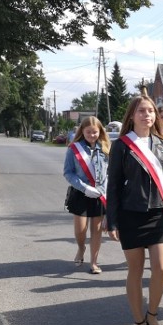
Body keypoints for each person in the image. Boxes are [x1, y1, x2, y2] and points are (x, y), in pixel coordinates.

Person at [106, 95, 163, 325]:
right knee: (136, 271)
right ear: (132, 115)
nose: (147, 115)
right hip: (130, 215)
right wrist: (112, 220)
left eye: (150, 111)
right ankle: (139, 322)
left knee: (161, 270)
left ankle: (152, 314)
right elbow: (114, 185)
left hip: (159, 215)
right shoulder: (122, 146)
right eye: (141, 111)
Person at [63, 117, 110, 274]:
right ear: (82, 131)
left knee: (96, 230)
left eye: (95, 132)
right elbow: (68, 173)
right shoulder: (74, 149)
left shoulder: (105, 149)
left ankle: (94, 262)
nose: (92, 134)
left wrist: (104, 189)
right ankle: (81, 247)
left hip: (99, 194)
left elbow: (109, 173)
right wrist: (84, 188)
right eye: (88, 131)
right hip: (81, 193)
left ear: (100, 132)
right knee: (81, 230)